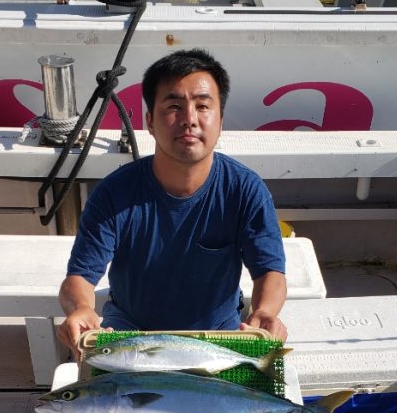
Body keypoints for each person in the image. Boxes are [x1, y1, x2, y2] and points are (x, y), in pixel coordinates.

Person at [57, 48, 287, 357]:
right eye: (174, 106)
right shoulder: (114, 192)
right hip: (130, 334)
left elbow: (270, 270)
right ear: (150, 122)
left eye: (203, 106)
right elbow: (80, 277)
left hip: (218, 335)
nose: (189, 119)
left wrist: (266, 311)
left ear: (220, 121)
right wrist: (81, 308)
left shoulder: (246, 189)